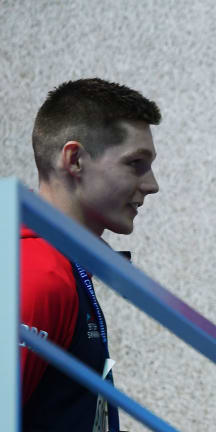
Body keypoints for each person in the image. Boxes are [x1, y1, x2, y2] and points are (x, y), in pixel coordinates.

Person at [20, 78, 161, 431]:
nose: (152, 185)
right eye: (135, 163)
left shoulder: (61, 263)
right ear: (75, 160)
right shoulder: (38, 273)